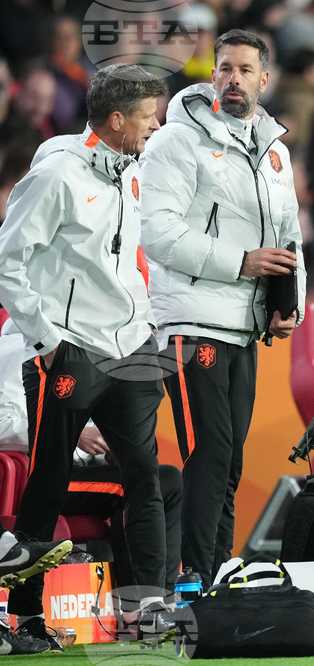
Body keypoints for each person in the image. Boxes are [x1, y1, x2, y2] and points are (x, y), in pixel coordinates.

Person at [0, 63, 174, 638]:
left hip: (130, 350)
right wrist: (47, 338)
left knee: (144, 476)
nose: (158, 125)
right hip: (69, 351)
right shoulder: (57, 176)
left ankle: (146, 608)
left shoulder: (135, 167)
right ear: (118, 119)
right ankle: (23, 617)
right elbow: (8, 262)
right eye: (150, 116)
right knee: (46, 479)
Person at [139, 29, 306, 587]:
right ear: (213, 75)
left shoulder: (275, 151)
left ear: (265, 79)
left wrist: (290, 304)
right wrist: (241, 261)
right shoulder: (175, 142)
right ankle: (191, 578)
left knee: (229, 460)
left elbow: (289, 238)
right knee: (208, 453)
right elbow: (157, 234)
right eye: (224, 68)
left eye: (244, 70)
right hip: (191, 319)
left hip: (244, 324)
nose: (233, 79)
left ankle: (217, 573)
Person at [0, 317, 183, 650]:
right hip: (41, 470)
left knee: (163, 478)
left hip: (87, 468)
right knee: (120, 487)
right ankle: (28, 616)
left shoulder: (113, 349)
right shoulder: (18, 349)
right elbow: (3, 423)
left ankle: (149, 608)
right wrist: (77, 434)